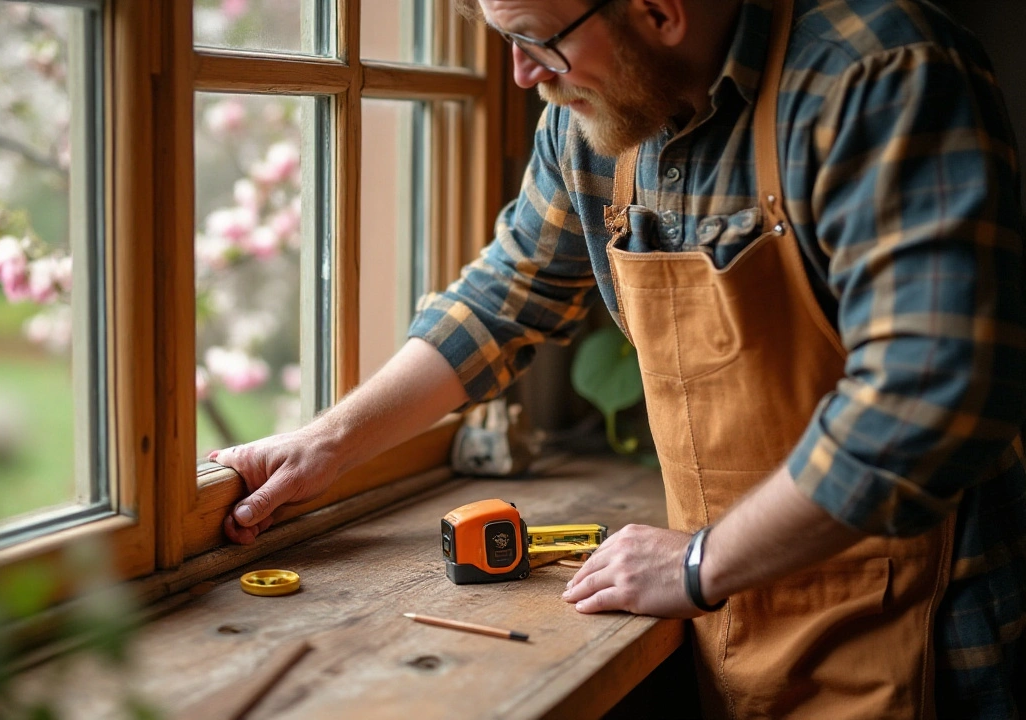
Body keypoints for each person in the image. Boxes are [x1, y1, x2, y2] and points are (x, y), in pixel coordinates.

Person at [209, 0, 1026, 715]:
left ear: (657, 12)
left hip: (932, 629)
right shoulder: (592, 115)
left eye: (536, 41)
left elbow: (922, 402)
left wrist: (703, 560)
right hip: (735, 611)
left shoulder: (883, 77)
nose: (523, 74)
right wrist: (326, 445)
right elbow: (505, 295)